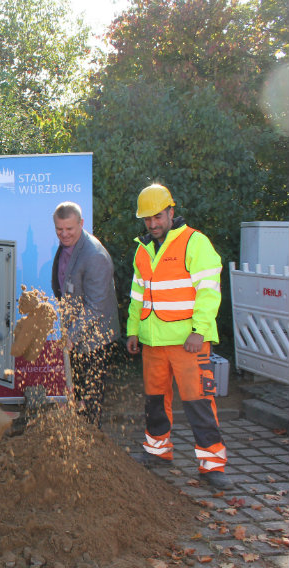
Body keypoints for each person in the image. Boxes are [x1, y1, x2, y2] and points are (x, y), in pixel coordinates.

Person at [125, 183, 231, 489]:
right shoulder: (142, 249)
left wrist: (199, 331)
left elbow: (209, 293)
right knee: (155, 401)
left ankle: (212, 465)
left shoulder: (195, 243)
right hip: (153, 342)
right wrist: (133, 330)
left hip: (189, 343)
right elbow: (136, 295)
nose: (153, 224)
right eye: (147, 219)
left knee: (199, 402)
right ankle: (158, 452)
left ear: (171, 211)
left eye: (158, 216)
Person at [51, 202, 120, 428]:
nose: (64, 234)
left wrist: (72, 334)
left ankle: (92, 441)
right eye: (59, 229)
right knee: (77, 391)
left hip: (94, 340)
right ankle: (78, 434)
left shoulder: (94, 256)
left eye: (69, 229)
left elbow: (96, 307)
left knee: (90, 397)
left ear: (81, 224)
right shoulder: (67, 246)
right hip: (76, 333)